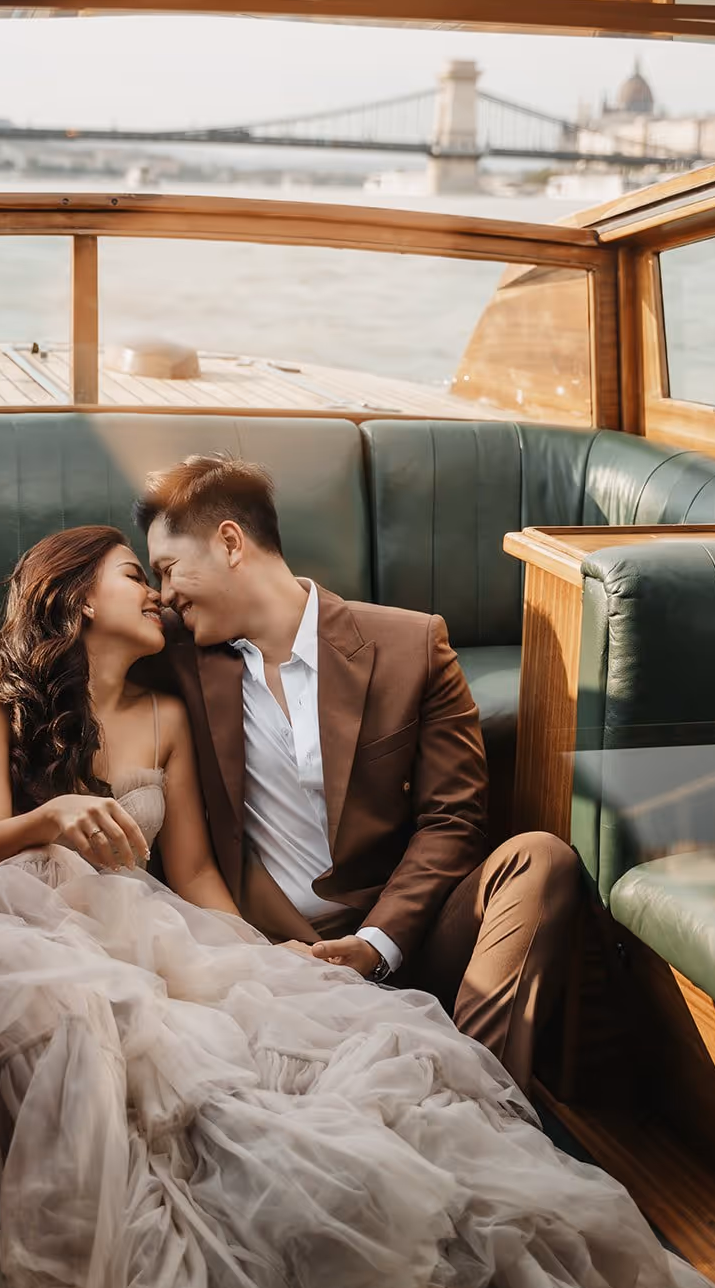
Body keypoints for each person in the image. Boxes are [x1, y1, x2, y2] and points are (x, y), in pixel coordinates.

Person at [0, 521, 715, 1288]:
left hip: (151, 927)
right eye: (131, 576)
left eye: (158, 574)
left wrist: (252, 963)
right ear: (75, 596)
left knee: (294, 1068)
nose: (154, 591)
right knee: (102, 1057)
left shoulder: (166, 714)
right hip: (28, 930)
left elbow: (189, 875)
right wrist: (55, 814)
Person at [133, 452, 576, 1094]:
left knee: (541, 861)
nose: (164, 592)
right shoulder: (175, 653)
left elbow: (452, 820)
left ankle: (483, 1094)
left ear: (230, 542)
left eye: (170, 568)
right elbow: (58, 652)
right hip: (276, 956)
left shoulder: (412, 645)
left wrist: (376, 941)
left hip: (406, 935)